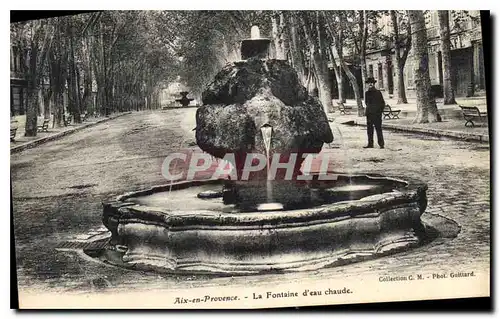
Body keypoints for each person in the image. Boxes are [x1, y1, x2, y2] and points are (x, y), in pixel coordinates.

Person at [363, 77, 385, 149]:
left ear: (374, 84)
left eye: (372, 83)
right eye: (369, 83)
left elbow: (382, 103)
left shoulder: (378, 92)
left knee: (378, 129)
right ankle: (370, 144)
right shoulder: (366, 93)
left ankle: (381, 144)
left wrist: (379, 112)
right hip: (369, 114)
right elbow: (366, 103)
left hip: (377, 114)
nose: (370, 84)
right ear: (367, 84)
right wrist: (369, 110)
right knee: (369, 130)